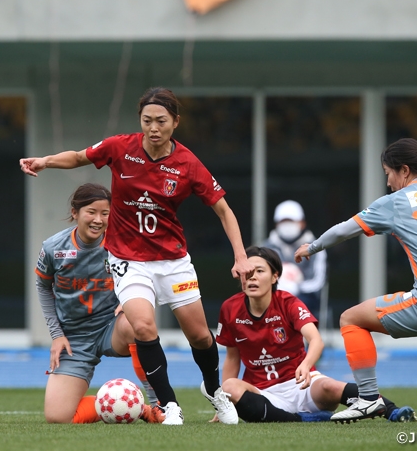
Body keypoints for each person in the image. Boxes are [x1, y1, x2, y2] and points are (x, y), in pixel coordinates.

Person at [21, 87, 254, 425]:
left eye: (161, 121)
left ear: (175, 122)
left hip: (173, 261)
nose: (153, 128)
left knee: (201, 337)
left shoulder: (188, 163)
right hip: (129, 260)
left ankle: (215, 392)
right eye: (147, 121)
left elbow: (224, 210)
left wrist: (240, 256)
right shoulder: (120, 147)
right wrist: (45, 162)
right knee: (143, 326)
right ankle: (169, 405)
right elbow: (78, 156)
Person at [295, 138, 417, 423]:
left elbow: (343, 231)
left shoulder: (396, 202)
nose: (387, 182)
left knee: (351, 319)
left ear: (403, 170)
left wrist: (311, 247)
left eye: (388, 174)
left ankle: (368, 399)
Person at [214, 246, 415, 424]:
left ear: (275, 276)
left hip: (302, 384)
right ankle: (300, 419)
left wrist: (306, 364)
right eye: (247, 272)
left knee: (329, 385)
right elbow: (232, 357)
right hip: (261, 392)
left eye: (259, 271)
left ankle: (392, 411)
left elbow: (316, 340)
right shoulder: (230, 308)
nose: (252, 277)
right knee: (229, 387)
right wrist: (223, 405)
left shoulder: (288, 303)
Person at [36, 183, 161, 424]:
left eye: (105, 213)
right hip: (74, 338)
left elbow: (150, 275)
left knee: (136, 323)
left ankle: (158, 406)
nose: (98, 220)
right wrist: (56, 334)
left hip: (111, 327)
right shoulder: (53, 247)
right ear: (75, 213)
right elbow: (42, 287)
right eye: (91, 212)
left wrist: (131, 301)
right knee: (58, 417)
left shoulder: (122, 243)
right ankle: (135, 406)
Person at [263, 200, 327, 320]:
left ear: (302, 223)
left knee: (295, 305)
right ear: (276, 224)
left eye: (291, 221)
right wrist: (280, 287)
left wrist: (295, 288)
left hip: (306, 298)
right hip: (274, 295)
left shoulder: (316, 247)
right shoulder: (266, 248)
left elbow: (318, 282)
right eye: (283, 221)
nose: (287, 225)